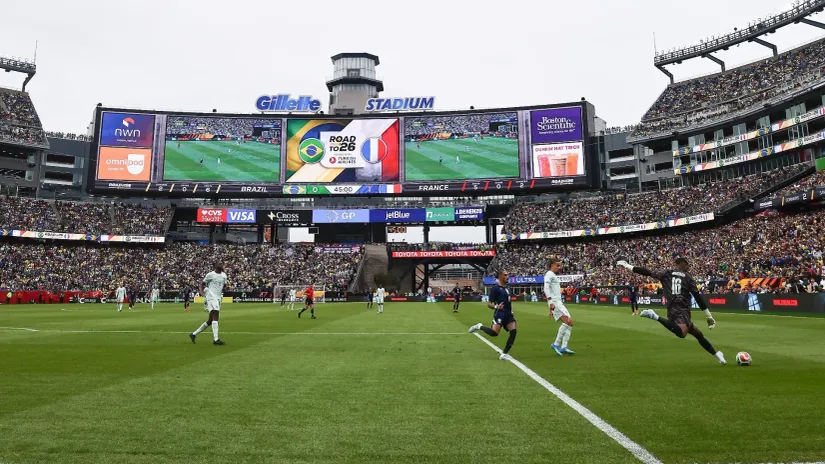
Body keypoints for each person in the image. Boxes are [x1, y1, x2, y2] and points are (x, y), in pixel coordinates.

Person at [617, 258, 726, 365]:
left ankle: (718, 355)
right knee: (683, 333)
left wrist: (627, 266)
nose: (689, 268)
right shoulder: (688, 277)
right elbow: (697, 297)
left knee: (697, 333)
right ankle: (654, 316)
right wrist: (708, 316)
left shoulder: (666, 273)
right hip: (682, 309)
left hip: (672, 309)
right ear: (683, 264)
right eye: (688, 266)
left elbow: (647, 272)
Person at [469, 270, 518, 361]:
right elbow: (489, 303)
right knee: (494, 333)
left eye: (508, 275)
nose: (507, 277)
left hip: (508, 314)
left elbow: (509, 301)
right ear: (500, 276)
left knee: (514, 331)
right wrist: (496, 306)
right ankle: (480, 326)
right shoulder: (495, 289)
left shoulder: (508, 288)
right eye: (505, 275)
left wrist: (511, 311)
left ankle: (504, 354)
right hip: (500, 313)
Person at [190, 264, 228, 345]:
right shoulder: (210, 275)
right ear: (216, 267)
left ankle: (193, 334)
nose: (221, 266)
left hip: (218, 297)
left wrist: (224, 287)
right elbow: (202, 284)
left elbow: (224, 285)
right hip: (211, 296)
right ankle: (216, 339)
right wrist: (201, 292)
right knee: (216, 315)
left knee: (210, 321)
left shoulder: (224, 275)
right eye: (219, 265)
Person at [545, 258, 575, 355]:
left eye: (560, 265)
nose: (559, 267)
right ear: (552, 265)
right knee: (568, 321)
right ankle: (556, 344)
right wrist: (550, 302)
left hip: (557, 302)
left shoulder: (553, 275)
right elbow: (546, 288)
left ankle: (564, 347)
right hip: (555, 302)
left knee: (570, 323)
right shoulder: (549, 274)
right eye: (557, 265)